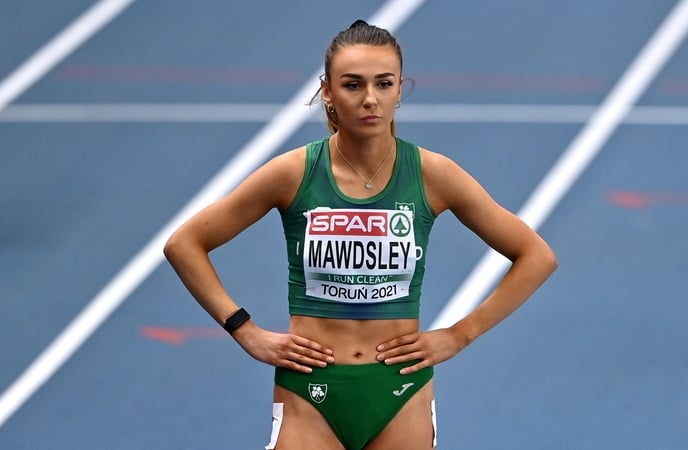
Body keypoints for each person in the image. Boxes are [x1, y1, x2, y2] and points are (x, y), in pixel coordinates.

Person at [164, 19, 557, 450]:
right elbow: (184, 244)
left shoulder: (433, 175)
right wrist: (246, 330)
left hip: (399, 390)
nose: (370, 99)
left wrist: (460, 334)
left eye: (383, 84)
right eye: (353, 85)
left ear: (400, 89)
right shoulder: (294, 173)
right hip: (309, 391)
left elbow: (535, 256)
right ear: (327, 91)